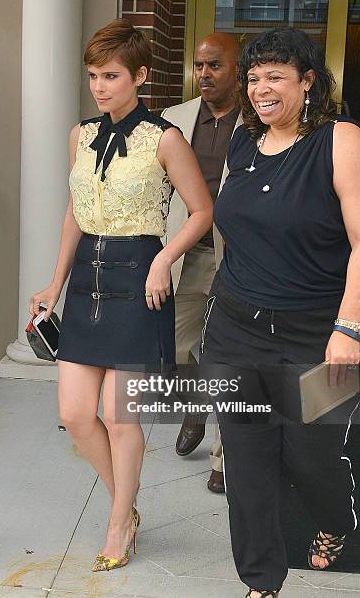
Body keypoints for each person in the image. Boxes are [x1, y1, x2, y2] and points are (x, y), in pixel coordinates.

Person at [29, 19, 212, 573]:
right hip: (86, 283)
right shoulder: (80, 134)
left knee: (120, 414)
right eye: (92, 76)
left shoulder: (165, 138)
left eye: (111, 75)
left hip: (140, 283)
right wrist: (54, 283)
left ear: (140, 75)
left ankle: (117, 523)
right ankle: (125, 505)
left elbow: (203, 211)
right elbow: (75, 212)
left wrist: (163, 260)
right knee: (76, 413)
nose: (100, 87)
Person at [200, 27, 360, 597]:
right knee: (246, 462)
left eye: (275, 76)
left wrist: (349, 327)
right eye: (253, 78)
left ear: (308, 81)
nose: (260, 89)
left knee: (312, 452)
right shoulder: (245, 143)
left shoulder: (339, 139)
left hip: (317, 335)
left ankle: (334, 522)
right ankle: (262, 581)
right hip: (235, 331)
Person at [162, 32, 242, 494]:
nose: (205, 74)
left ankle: (222, 458)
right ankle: (197, 401)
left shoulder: (257, 121)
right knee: (177, 348)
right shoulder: (175, 119)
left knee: (230, 356)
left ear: (236, 69)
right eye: (200, 65)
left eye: (215, 65)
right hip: (188, 254)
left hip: (240, 258)